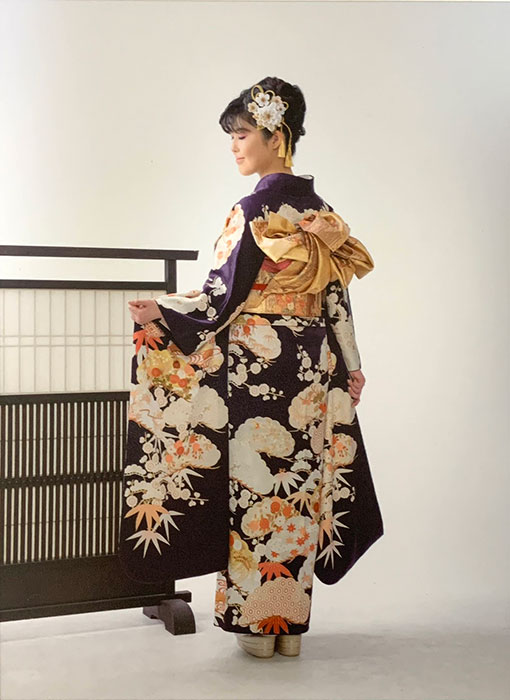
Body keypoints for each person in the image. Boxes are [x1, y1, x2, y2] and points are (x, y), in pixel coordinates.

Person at [119, 76, 384, 659]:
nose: (234, 146)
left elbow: (222, 296)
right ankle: (288, 628)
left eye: (242, 134)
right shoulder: (324, 214)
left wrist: (163, 312)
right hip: (311, 366)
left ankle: (257, 628)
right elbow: (338, 301)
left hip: (257, 366)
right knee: (299, 483)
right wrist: (351, 366)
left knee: (257, 488)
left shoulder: (252, 209)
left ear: (276, 134)